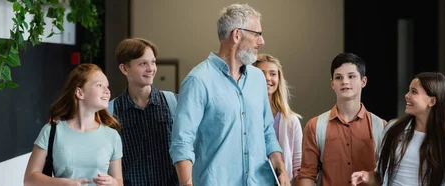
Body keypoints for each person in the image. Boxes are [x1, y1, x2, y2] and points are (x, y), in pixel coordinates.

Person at [169, 3, 290, 186]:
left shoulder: (257, 78)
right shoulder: (198, 81)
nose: (261, 41)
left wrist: (281, 169)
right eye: (257, 34)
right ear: (237, 35)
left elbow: (267, 131)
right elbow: (182, 141)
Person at [351, 72, 445, 186]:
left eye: (414, 92)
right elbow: (381, 176)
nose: (407, 95)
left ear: (432, 101)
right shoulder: (393, 129)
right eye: (409, 90)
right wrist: (366, 176)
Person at [24, 64, 123, 186]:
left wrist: (113, 183)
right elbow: (29, 179)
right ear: (80, 93)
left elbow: (119, 182)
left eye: (107, 86)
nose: (107, 91)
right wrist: (63, 183)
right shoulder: (51, 131)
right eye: (99, 85)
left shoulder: (112, 136)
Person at [297, 53, 387, 186]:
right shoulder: (315, 126)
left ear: (363, 81)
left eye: (351, 76)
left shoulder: (381, 126)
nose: (345, 82)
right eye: (339, 77)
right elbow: (307, 174)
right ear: (332, 84)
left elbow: (386, 174)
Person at [107, 38, 179, 185]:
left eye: (153, 62)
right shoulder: (110, 111)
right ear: (124, 69)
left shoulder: (173, 102)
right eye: (143, 63)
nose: (151, 68)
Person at [253, 54, 303, 182]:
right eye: (261, 73)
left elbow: (298, 166)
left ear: (279, 79)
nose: (267, 78)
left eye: (273, 74)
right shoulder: (244, 117)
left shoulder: (291, 121)